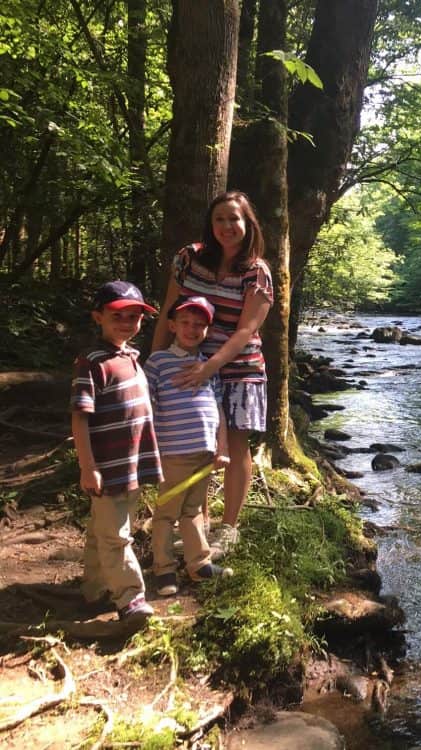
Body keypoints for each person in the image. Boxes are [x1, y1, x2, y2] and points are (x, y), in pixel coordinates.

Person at [152, 191, 272, 557]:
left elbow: (245, 331)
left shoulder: (257, 272)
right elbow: (167, 311)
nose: (226, 227)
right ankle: (196, 522)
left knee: (234, 447)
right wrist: (155, 362)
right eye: (220, 219)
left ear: (248, 224)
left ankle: (228, 528)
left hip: (238, 371)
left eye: (234, 219)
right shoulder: (188, 259)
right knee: (194, 446)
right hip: (187, 365)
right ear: (211, 223)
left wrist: (209, 368)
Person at [71, 280, 162, 622]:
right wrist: (87, 466)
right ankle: (130, 597)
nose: (127, 322)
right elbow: (80, 417)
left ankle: (94, 591)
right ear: (98, 317)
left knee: (102, 530)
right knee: (115, 535)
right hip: (107, 466)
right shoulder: (92, 362)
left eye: (135, 316)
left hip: (131, 465)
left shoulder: (132, 358)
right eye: (118, 315)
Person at [145, 295, 234, 594]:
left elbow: (218, 407)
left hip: (204, 452)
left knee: (194, 510)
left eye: (200, 324)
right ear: (171, 325)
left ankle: (198, 564)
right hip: (172, 451)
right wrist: (150, 448)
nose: (192, 329)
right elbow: (149, 406)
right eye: (185, 322)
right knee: (167, 513)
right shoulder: (158, 361)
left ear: (207, 330)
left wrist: (222, 447)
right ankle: (164, 570)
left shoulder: (208, 365)